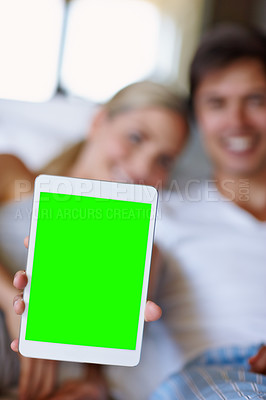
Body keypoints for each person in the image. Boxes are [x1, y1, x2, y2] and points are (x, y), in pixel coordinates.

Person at [0, 80, 188, 399]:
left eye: (164, 160)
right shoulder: (13, 173)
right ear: (99, 121)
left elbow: (103, 353)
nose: (143, 166)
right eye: (136, 137)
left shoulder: (145, 250)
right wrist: (8, 299)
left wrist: (93, 386)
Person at [148, 24, 266, 399]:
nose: (237, 121)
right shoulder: (165, 212)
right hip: (220, 379)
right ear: (197, 116)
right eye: (217, 103)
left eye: (257, 100)